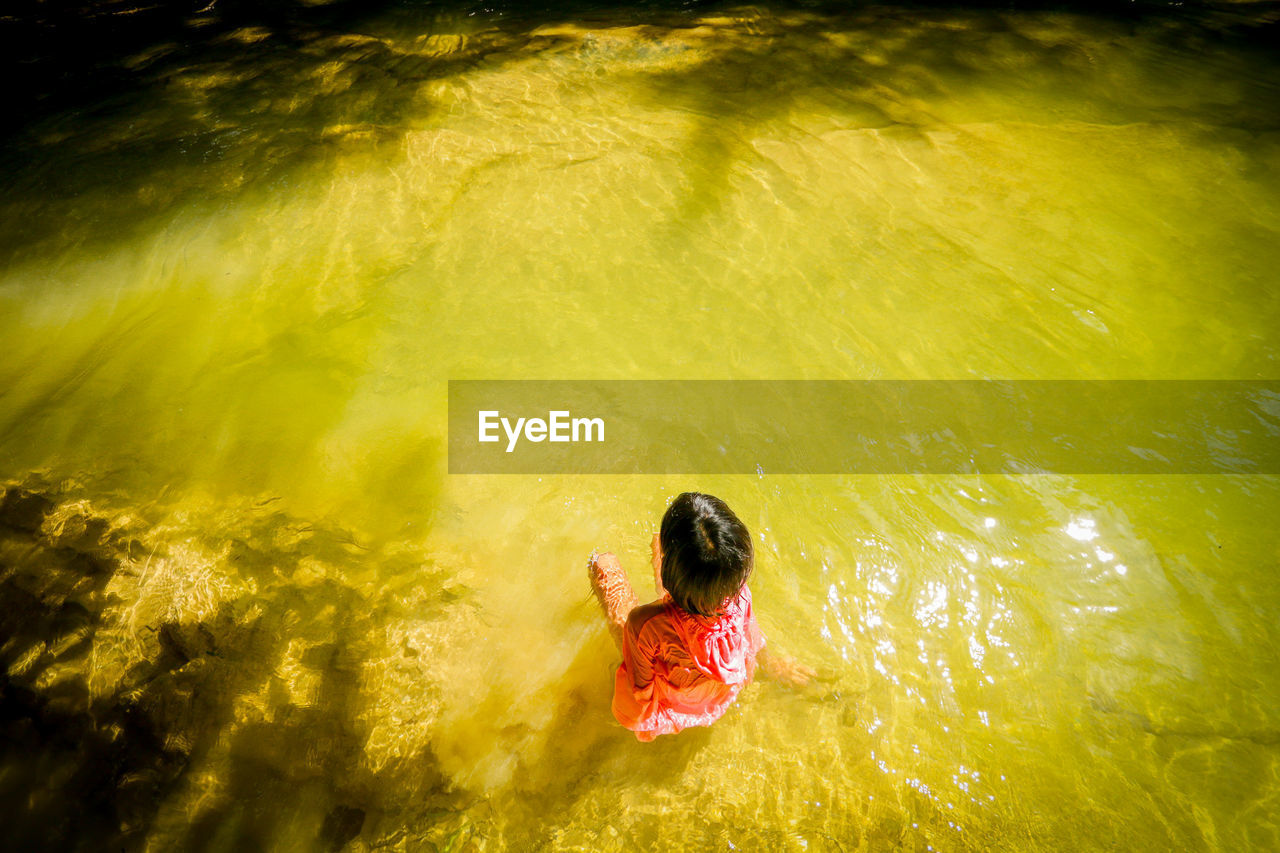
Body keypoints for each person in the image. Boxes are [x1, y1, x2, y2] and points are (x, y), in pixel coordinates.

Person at [589, 492, 812, 742]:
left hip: (675, 697)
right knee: (689, 583)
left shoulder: (646, 623)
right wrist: (770, 664)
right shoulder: (739, 593)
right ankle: (664, 550)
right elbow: (752, 636)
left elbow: (641, 689)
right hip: (716, 693)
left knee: (603, 565)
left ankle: (630, 556)